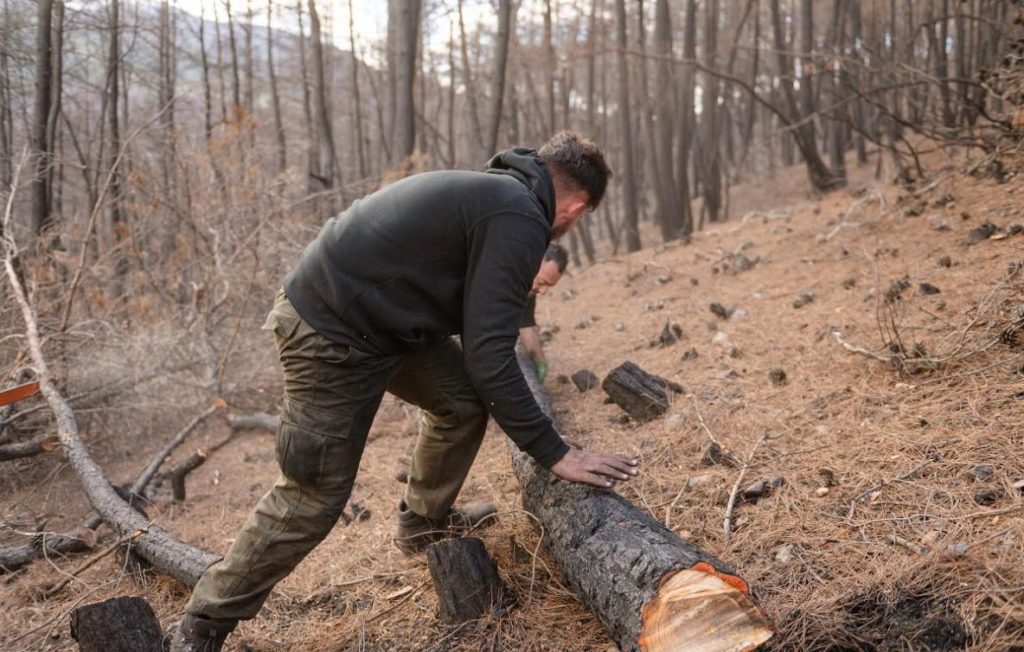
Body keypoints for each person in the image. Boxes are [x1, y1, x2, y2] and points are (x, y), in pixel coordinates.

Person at [172, 131, 639, 652]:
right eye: (577, 219)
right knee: (314, 491)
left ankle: (422, 523)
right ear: (574, 206)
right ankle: (204, 622)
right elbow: (489, 354)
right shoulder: (517, 213)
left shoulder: (500, 196)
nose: (569, 226)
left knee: (460, 403)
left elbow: (480, 328)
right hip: (331, 330)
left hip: (385, 327)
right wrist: (555, 452)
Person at [520, 243, 569, 383]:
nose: (543, 291)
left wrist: (540, 360)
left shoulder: (529, 290)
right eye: (542, 282)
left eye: (549, 285)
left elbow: (526, 326)